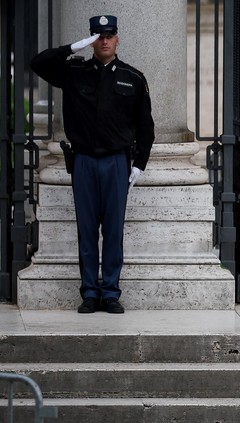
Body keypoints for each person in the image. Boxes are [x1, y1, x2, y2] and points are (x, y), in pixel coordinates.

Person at [30, 14, 154, 314]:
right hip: (84, 160)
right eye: (98, 36)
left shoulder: (133, 77)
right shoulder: (74, 71)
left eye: (109, 35)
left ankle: (110, 292)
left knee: (113, 231)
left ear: (117, 38)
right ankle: (89, 292)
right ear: (91, 39)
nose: (104, 40)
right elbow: (38, 63)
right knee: (86, 231)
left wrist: (139, 164)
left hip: (116, 162)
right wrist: (72, 47)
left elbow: (145, 127)